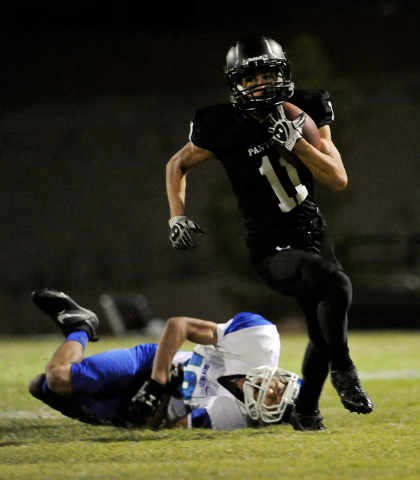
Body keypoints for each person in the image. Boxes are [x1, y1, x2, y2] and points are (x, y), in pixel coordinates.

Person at [166, 34, 373, 430]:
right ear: (235, 85)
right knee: (337, 283)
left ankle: (308, 414)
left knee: (321, 330)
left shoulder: (306, 109)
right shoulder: (220, 124)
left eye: (267, 73)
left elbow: (338, 179)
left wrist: (300, 145)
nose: (260, 83)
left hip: (314, 232)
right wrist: (177, 214)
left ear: (283, 74)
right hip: (271, 246)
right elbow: (177, 164)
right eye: (250, 78)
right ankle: (344, 370)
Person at [29, 288, 301, 431]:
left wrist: (162, 400)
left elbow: (164, 427)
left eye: (274, 399)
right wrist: (159, 380)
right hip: (151, 363)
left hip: (144, 409)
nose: (274, 388)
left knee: (43, 387)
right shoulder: (258, 339)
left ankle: (79, 328)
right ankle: (82, 328)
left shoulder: (232, 417)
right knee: (58, 377)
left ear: (262, 412)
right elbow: (178, 325)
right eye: (282, 385)